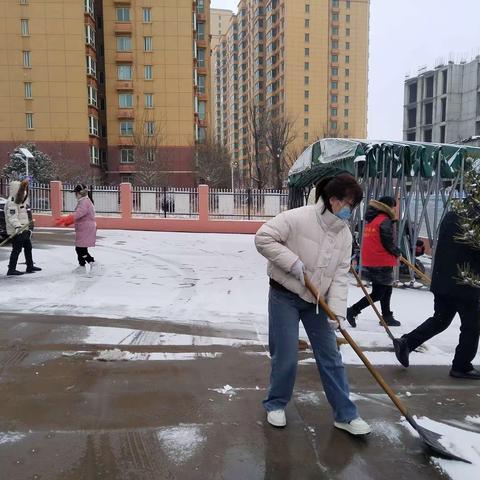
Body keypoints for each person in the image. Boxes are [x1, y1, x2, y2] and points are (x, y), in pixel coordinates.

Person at [255, 172, 371, 435]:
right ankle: (275, 404)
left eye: (355, 204)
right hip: (285, 295)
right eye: (349, 203)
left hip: (317, 301)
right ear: (333, 200)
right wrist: (292, 263)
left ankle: (345, 415)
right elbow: (263, 238)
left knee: (331, 357)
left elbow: (341, 276)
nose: (351, 210)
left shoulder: (344, 235)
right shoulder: (298, 218)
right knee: (286, 355)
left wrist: (338, 313)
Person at [394, 202, 480, 379]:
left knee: (441, 319)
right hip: (465, 282)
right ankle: (462, 366)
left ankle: (407, 343)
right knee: (472, 325)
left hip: (443, 278)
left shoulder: (453, 214)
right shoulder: (476, 219)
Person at [347, 196, 401, 327]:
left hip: (372, 258)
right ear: (388, 207)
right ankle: (353, 310)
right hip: (381, 259)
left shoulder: (373, 219)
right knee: (378, 293)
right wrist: (397, 252)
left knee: (387, 288)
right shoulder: (385, 220)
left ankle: (387, 315)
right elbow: (387, 241)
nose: (395, 209)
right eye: (393, 206)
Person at [56, 184, 97, 272]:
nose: (75, 195)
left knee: (80, 249)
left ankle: (91, 262)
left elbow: (79, 213)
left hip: (86, 228)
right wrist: (68, 221)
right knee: (81, 248)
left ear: (80, 193)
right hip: (84, 228)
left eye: (76, 193)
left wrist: (67, 219)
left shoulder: (84, 202)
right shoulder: (84, 201)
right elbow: (79, 215)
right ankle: (82, 265)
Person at [5, 179, 41, 276]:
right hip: (17, 230)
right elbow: (12, 217)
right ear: (17, 190)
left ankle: (29, 266)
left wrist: (28, 227)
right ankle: (11, 269)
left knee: (28, 247)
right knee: (16, 249)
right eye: (22, 190)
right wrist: (17, 226)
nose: (24, 192)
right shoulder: (12, 202)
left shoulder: (21, 201)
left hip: (24, 229)